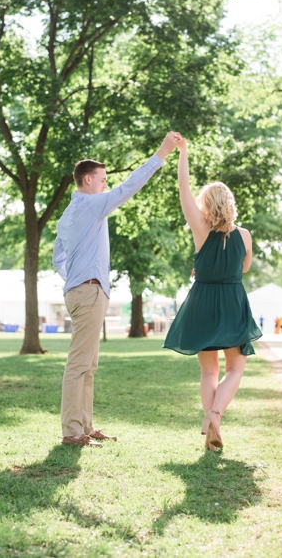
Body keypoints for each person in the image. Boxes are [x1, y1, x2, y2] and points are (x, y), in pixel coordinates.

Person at [53, 131, 182, 448]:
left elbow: (58, 257)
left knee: (88, 365)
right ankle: (72, 432)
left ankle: (84, 426)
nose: (105, 186)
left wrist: (75, 278)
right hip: (88, 291)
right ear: (86, 180)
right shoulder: (90, 206)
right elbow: (129, 187)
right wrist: (161, 154)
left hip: (80, 290)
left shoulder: (69, 214)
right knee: (79, 364)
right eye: (102, 180)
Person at [162, 136, 262, 451]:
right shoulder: (244, 235)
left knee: (209, 370)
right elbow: (243, 270)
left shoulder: (199, 228)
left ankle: (210, 425)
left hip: (203, 302)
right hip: (232, 303)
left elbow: (183, 189)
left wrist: (183, 152)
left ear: (206, 206)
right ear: (230, 204)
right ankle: (216, 415)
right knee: (236, 368)